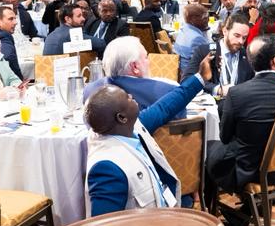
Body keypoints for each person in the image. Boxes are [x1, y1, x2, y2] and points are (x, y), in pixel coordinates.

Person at [83, 53, 212, 216]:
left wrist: (200, 77)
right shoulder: (107, 168)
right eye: (127, 98)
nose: (132, 96)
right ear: (121, 117)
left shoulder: (131, 127)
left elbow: (165, 107)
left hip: (162, 215)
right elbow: (104, 225)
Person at [205, 34, 275, 204]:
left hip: (252, 171)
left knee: (208, 147)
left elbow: (225, 138)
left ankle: (211, 210)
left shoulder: (237, 94)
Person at [181, 12, 253, 96]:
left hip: (239, 101)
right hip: (213, 101)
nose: (241, 41)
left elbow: (254, 83)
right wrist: (217, 89)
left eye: (244, 38)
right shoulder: (207, 51)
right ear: (225, 31)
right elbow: (187, 80)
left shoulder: (247, 55)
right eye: (237, 36)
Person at [174, 3, 211, 77]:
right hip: (193, 76)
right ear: (193, 19)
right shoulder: (197, 38)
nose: (208, 20)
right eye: (204, 18)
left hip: (182, 73)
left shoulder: (184, 31)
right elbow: (209, 59)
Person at [0, 5, 24, 80]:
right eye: (11, 19)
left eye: (15, 19)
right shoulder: (4, 36)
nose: (15, 22)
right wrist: (18, 80)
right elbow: (7, 57)